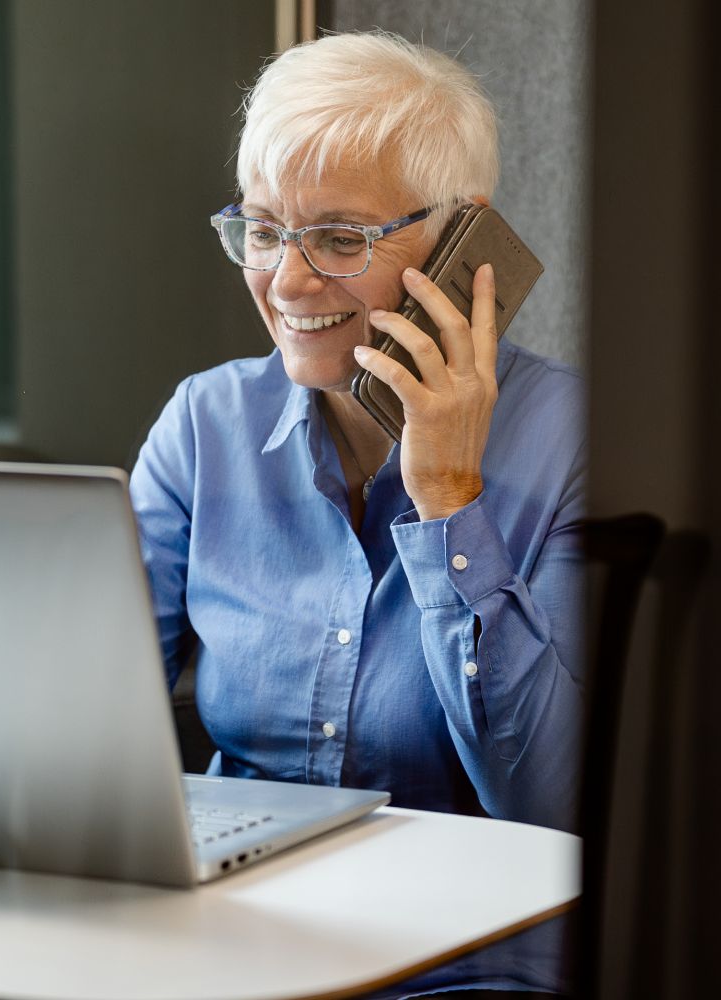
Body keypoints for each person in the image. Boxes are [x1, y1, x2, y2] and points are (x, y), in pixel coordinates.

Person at [130, 31, 584, 998]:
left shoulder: (582, 443)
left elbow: (552, 797)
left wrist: (450, 501)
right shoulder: (206, 426)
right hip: (231, 947)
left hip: (468, 966)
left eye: (341, 239)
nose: (288, 283)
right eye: (262, 231)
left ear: (464, 244)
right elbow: (85, 716)